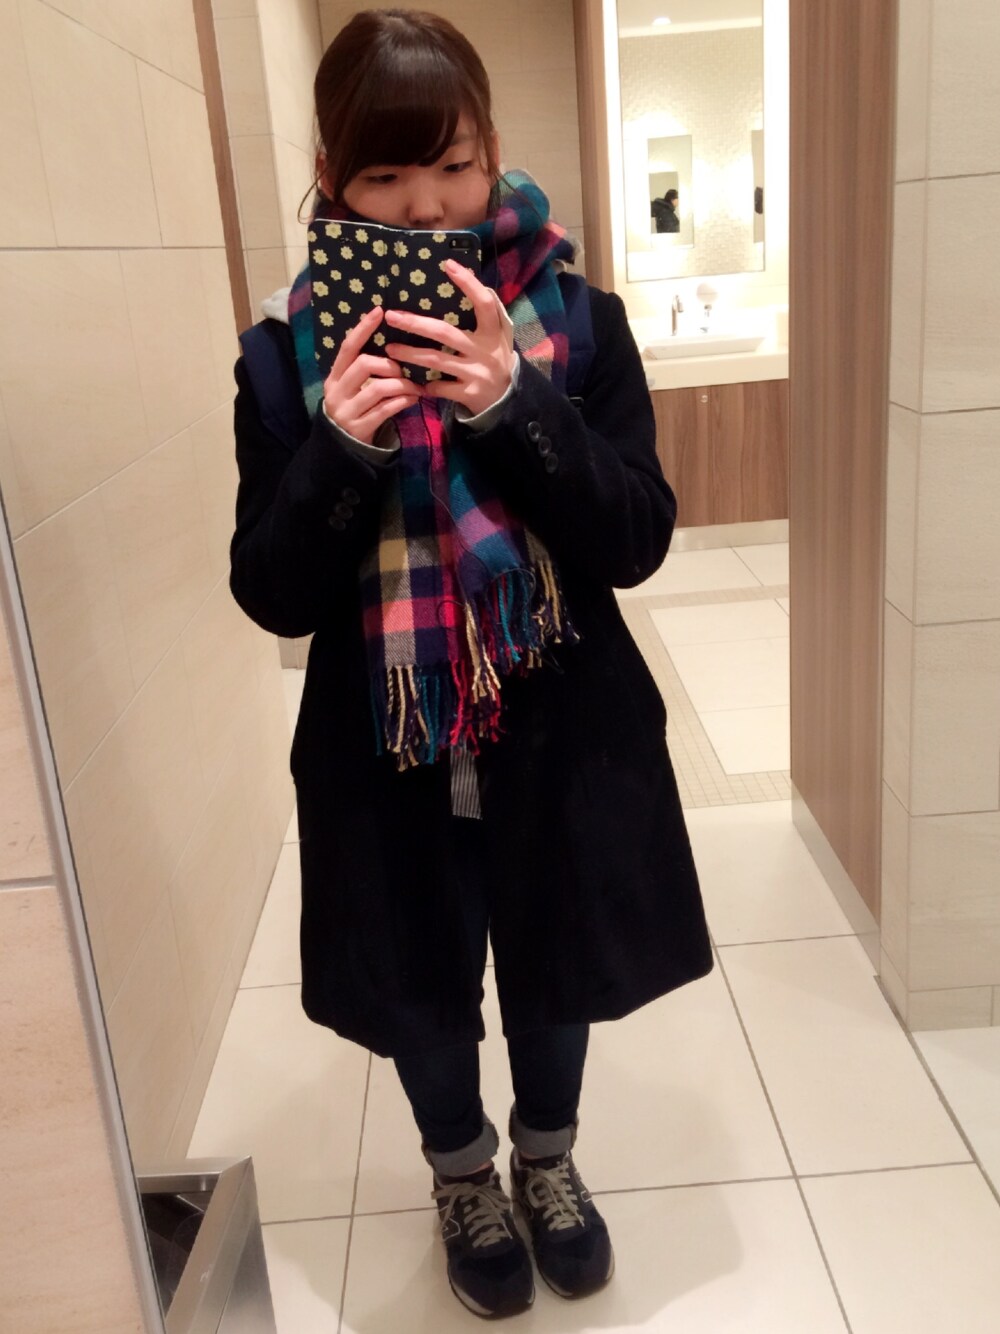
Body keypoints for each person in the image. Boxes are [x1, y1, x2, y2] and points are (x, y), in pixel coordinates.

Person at [230, 8, 712, 1321]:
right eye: (385, 176)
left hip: (558, 720)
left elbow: (635, 536)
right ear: (331, 180)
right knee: (421, 982)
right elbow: (271, 592)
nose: (427, 206)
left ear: (492, 151)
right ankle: (461, 1176)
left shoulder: (582, 325)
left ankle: (546, 1161)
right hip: (383, 741)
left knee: (554, 952)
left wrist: (513, 402)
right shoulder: (282, 358)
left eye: (451, 166)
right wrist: (339, 447)